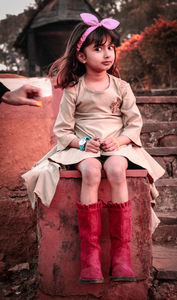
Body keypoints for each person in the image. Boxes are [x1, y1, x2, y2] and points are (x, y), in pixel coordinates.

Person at [22, 13, 165, 284]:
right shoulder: (74, 90)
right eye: (98, 48)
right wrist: (83, 143)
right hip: (84, 147)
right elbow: (62, 130)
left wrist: (119, 142)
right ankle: (90, 259)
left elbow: (134, 125)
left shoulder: (122, 87)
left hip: (118, 146)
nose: (107, 53)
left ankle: (121, 257)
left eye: (110, 47)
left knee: (115, 168)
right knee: (91, 170)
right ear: (82, 57)